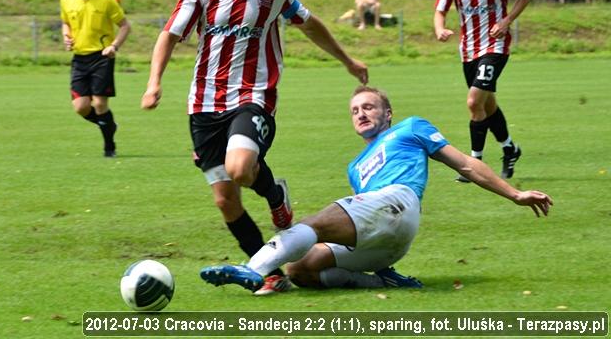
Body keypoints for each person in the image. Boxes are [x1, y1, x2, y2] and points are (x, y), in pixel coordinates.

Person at [141, 0, 368, 295]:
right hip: (203, 105)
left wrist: (347, 60)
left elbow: (310, 24)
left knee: (241, 167)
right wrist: (154, 82)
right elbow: (169, 34)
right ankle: (269, 272)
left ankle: (275, 195)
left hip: (253, 96)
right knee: (225, 200)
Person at [200, 86, 553, 292]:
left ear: (388, 113)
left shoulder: (410, 128)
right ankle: (382, 283)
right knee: (301, 270)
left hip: (398, 203)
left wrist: (515, 194)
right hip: (385, 245)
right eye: (355, 110)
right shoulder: (355, 167)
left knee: (314, 221)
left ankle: (254, 269)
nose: (361, 113)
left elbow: (464, 162)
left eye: (369, 107)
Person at [434, 0, 529, 182]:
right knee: (487, 105)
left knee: (474, 102)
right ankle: (510, 149)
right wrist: (439, 28)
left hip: (495, 48)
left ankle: (474, 162)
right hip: (468, 51)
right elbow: (439, 11)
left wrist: (507, 20)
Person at [60, 0, 130, 157]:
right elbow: (65, 22)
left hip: (101, 57)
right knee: (81, 107)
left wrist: (114, 46)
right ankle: (108, 124)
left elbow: (125, 26)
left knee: (100, 104)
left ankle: (109, 146)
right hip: (79, 58)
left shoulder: (107, 0)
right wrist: (66, 36)